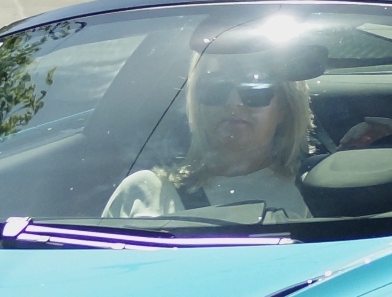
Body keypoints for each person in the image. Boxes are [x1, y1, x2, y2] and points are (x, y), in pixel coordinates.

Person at [106, 40, 316, 221]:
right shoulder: (144, 190)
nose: (234, 103)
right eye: (216, 89)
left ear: (284, 110)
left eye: (254, 91)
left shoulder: (315, 192)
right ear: (197, 104)